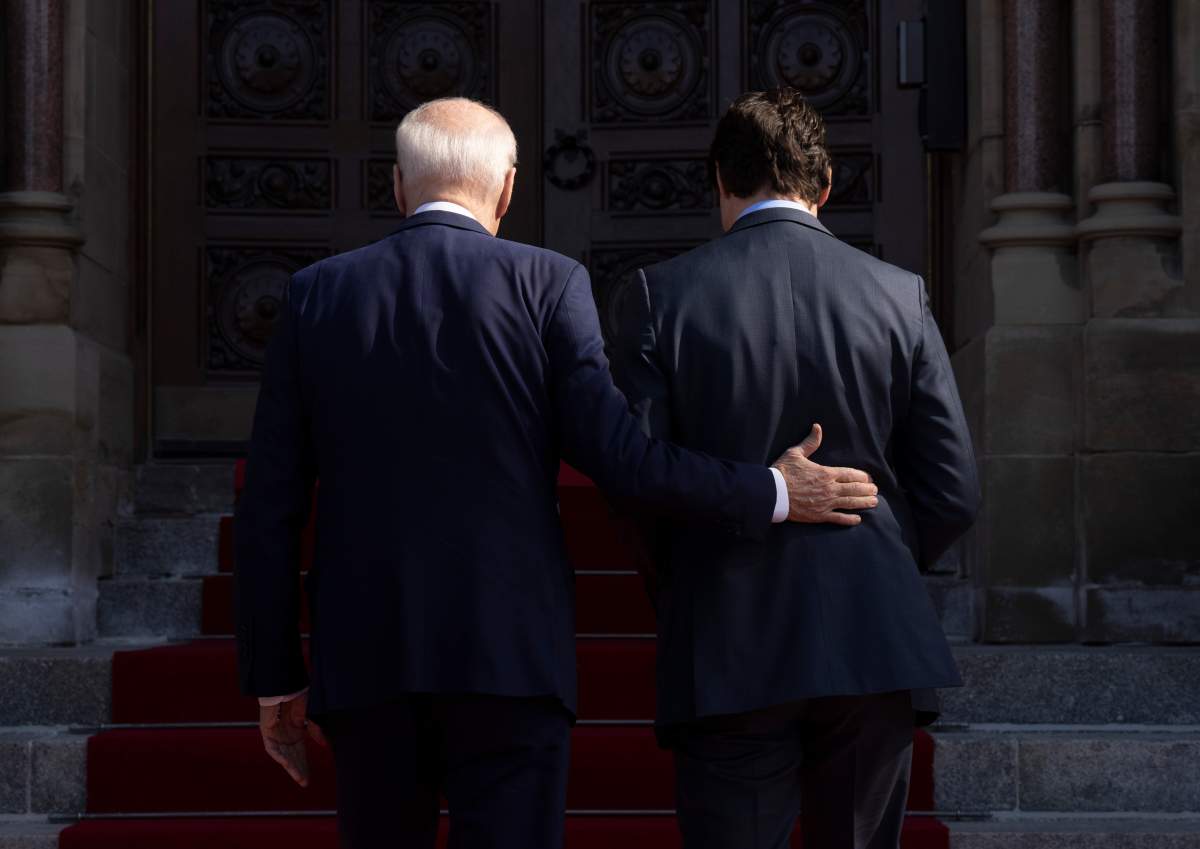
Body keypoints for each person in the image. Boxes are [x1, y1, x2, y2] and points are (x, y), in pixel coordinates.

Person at [234, 97, 881, 849]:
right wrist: (770, 490)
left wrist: (276, 673)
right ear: (508, 188)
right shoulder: (548, 284)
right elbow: (623, 460)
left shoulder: (318, 293)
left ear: (399, 188)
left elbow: (270, 505)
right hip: (512, 658)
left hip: (368, 658)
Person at [612, 88, 981, 849]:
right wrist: (873, 553)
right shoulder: (899, 296)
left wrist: (690, 578)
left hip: (729, 633)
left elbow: (637, 480)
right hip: (873, 637)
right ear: (825, 186)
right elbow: (953, 488)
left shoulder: (657, 296)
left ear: (721, 179)